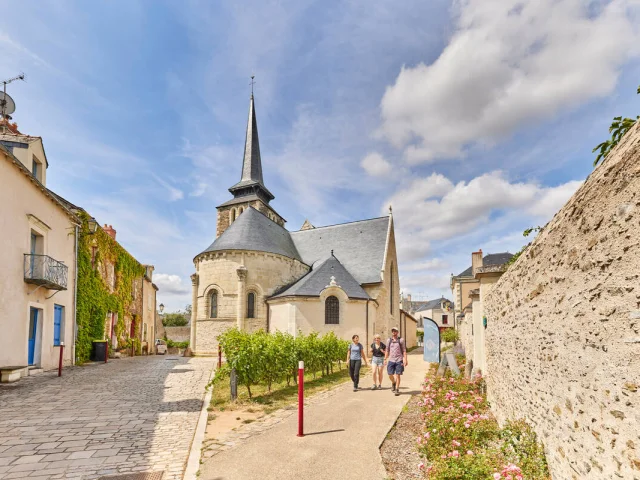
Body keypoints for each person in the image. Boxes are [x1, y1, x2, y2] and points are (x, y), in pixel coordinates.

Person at [385, 327, 407, 396]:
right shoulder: (389, 340)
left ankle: (397, 389)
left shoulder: (401, 340)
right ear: (392, 332)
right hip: (391, 360)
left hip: (399, 360)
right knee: (390, 374)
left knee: (398, 375)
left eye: (395, 331)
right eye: (393, 331)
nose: (394, 332)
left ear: (397, 332)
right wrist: (385, 359)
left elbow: (404, 350)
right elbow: (387, 350)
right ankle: (393, 382)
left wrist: (405, 359)